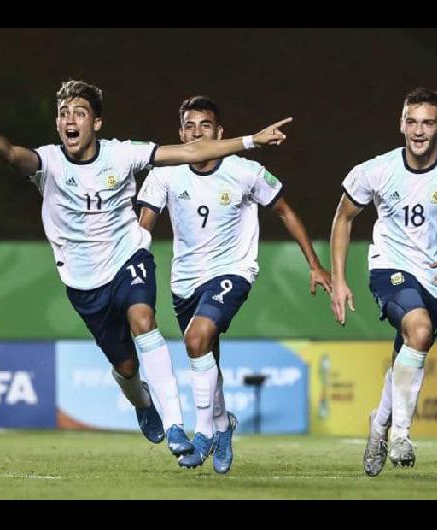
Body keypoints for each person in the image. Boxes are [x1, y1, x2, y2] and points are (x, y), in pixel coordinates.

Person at [0, 80, 291, 459]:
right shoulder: (49, 163)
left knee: (144, 319)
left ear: (97, 123)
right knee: (126, 365)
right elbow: (13, 154)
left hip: (128, 258)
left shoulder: (124, 155)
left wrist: (251, 141)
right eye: (63, 114)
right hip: (83, 281)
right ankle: (142, 402)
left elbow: (192, 150)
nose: (69, 120)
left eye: (79, 113)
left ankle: (177, 426)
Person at [137, 95, 331, 473]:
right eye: (189, 126)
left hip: (232, 271)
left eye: (205, 125)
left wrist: (315, 265)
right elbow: (144, 226)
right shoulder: (164, 173)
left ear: (219, 132)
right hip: (184, 282)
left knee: (196, 339)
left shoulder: (245, 172)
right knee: (206, 356)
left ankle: (204, 433)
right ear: (179, 133)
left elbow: (285, 212)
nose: (197, 133)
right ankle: (224, 425)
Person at [329, 87, 437, 476]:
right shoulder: (377, 170)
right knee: (418, 329)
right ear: (401, 123)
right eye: (412, 121)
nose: (419, 131)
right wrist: (338, 278)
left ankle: (379, 423)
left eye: (428, 123)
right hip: (390, 267)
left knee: (410, 348)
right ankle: (401, 434)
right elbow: (344, 217)